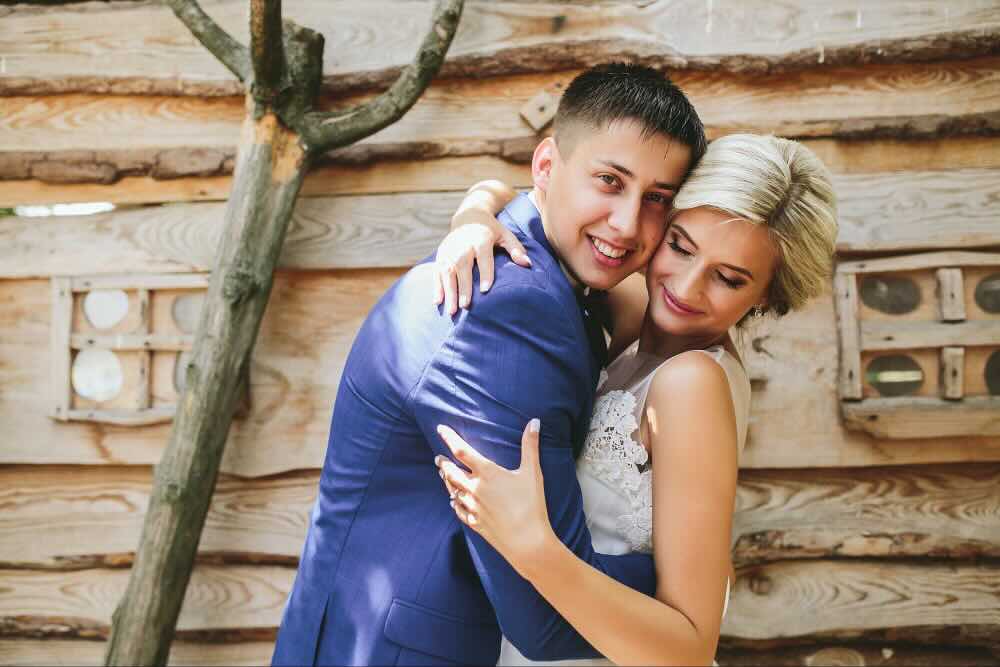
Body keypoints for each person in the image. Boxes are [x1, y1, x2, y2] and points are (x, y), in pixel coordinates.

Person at [271, 63, 706, 666]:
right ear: (548, 167)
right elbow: (545, 621)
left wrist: (477, 203)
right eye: (610, 181)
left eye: (657, 199)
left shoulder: (562, 273)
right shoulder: (507, 308)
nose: (629, 223)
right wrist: (692, 600)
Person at [432, 133, 838, 665]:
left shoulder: (691, 381)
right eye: (680, 246)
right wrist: (473, 215)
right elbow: (527, 194)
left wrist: (533, 546)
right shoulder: (637, 314)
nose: (686, 288)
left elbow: (692, 647)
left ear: (767, 293)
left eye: (729, 279)